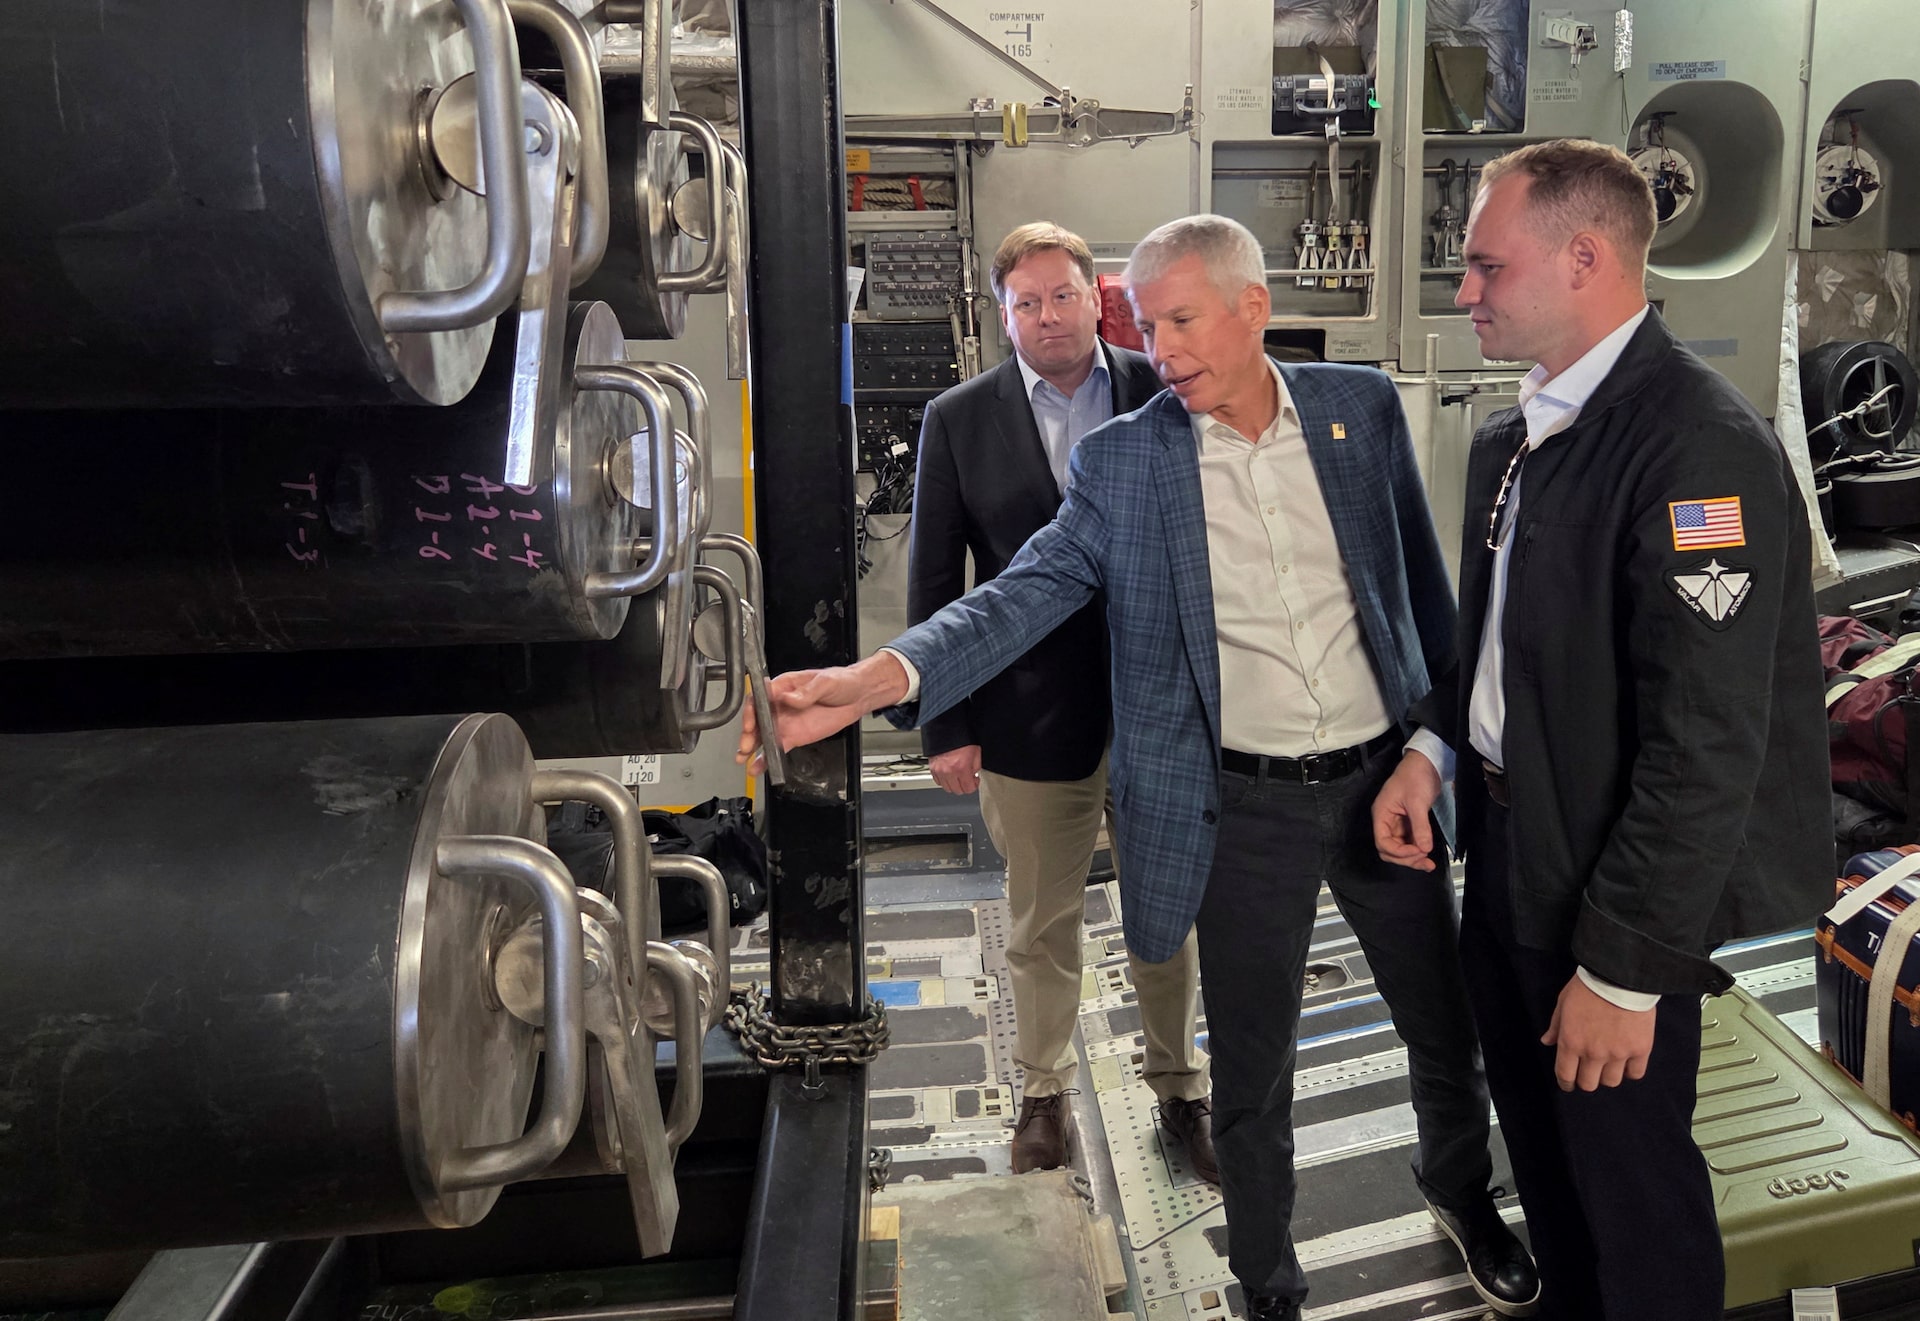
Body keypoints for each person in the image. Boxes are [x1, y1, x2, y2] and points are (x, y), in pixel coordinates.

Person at [743, 214, 1539, 1321]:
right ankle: (1268, 1281)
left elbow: (1423, 601)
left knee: (1445, 1030)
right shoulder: (1127, 459)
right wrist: (874, 679)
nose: (1159, 352)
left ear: (1253, 306)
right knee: (1251, 1074)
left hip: (1385, 788)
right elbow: (1015, 595)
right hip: (1244, 807)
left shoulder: (1359, 410)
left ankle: (1461, 1190)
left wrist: (1432, 747)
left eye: (1182, 321)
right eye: (1148, 326)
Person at [1372, 139, 1831, 1320]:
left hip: (1605, 891)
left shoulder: (1697, 449)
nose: (1464, 291)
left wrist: (1625, 970)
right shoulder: (1516, 437)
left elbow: (1708, 739)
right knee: (1552, 1174)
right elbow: (1499, 643)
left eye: (1486, 266)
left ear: (1583, 257)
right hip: (1507, 858)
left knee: (1634, 1201)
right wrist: (1433, 747)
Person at [908, 221, 1211, 1178]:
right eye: (1027, 303)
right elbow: (936, 580)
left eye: (1063, 295)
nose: (1047, 316)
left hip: (1159, 708)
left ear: (1096, 297)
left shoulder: (1165, 389)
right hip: (1027, 718)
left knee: (1168, 912)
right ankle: (1043, 1094)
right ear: (1003, 318)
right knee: (1041, 922)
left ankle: (1181, 1090)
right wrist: (945, 722)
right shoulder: (959, 419)